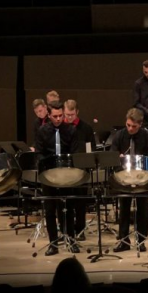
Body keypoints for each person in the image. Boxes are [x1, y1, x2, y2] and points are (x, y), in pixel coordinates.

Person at [35, 101, 79, 256]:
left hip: (66, 175)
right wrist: (48, 164)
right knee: (50, 210)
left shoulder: (71, 130)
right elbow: (39, 153)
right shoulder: (42, 131)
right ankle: (53, 243)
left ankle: (71, 240)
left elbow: (74, 152)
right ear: (49, 115)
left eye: (61, 115)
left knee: (68, 208)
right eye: (55, 116)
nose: (59, 119)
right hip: (49, 175)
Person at [111, 108, 148, 252]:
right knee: (123, 209)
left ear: (140, 124)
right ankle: (124, 240)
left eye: (134, 126)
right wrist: (117, 157)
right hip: (124, 177)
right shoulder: (119, 135)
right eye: (128, 125)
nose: (130, 128)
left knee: (143, 210)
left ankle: (141, 240)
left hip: (142, 178)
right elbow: (112, 153)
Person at [63, 99, 95, 241]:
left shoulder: (86, 129)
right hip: (66, 171)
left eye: (71, 114)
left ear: (77, 112)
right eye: (67, 115)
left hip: (81, 170)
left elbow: (91, 149)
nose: (69, 117)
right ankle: (67, 231)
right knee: (67, 202)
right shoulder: (61, 127)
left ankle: (81, 230)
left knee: (81, 202)